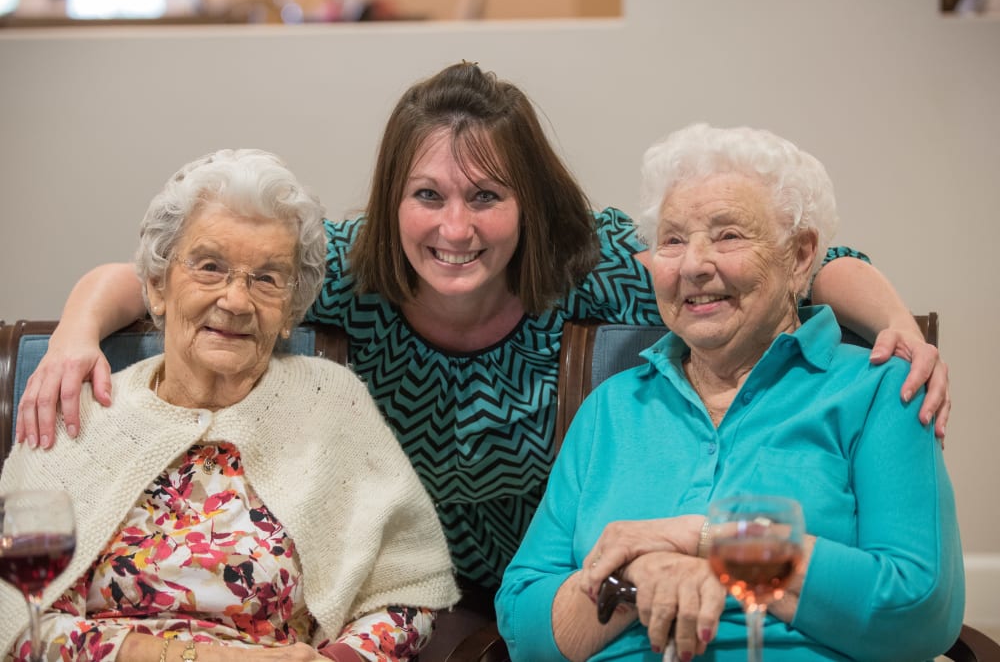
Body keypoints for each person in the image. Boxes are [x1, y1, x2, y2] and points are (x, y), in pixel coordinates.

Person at [15, 63, 950, 594]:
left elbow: (811, 265)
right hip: (385, 592)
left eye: (486, 197)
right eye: (427, 195)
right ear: (394, 201)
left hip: (560, 591)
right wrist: (75, 334)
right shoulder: (345, 267)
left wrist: (900, 322)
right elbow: (157, 277)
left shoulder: (597, 262)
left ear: (527, 204)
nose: (453, 228)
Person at [495, 124, 963, 662]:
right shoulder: (612, 406)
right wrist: (634, 580)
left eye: (728, 235)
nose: (693, 265)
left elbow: (921, 608)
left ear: (801, 256)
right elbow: (523, 622)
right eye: (672, 240)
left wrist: (712, 542)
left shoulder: (880, 389)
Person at [0, 149, 459, 662]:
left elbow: (406, 594)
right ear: (156, 284)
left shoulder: (331, 403)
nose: (237, 301)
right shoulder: (79, 411)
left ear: (291, 307)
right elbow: (20, 619)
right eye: (210, 267)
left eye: (267, 278)